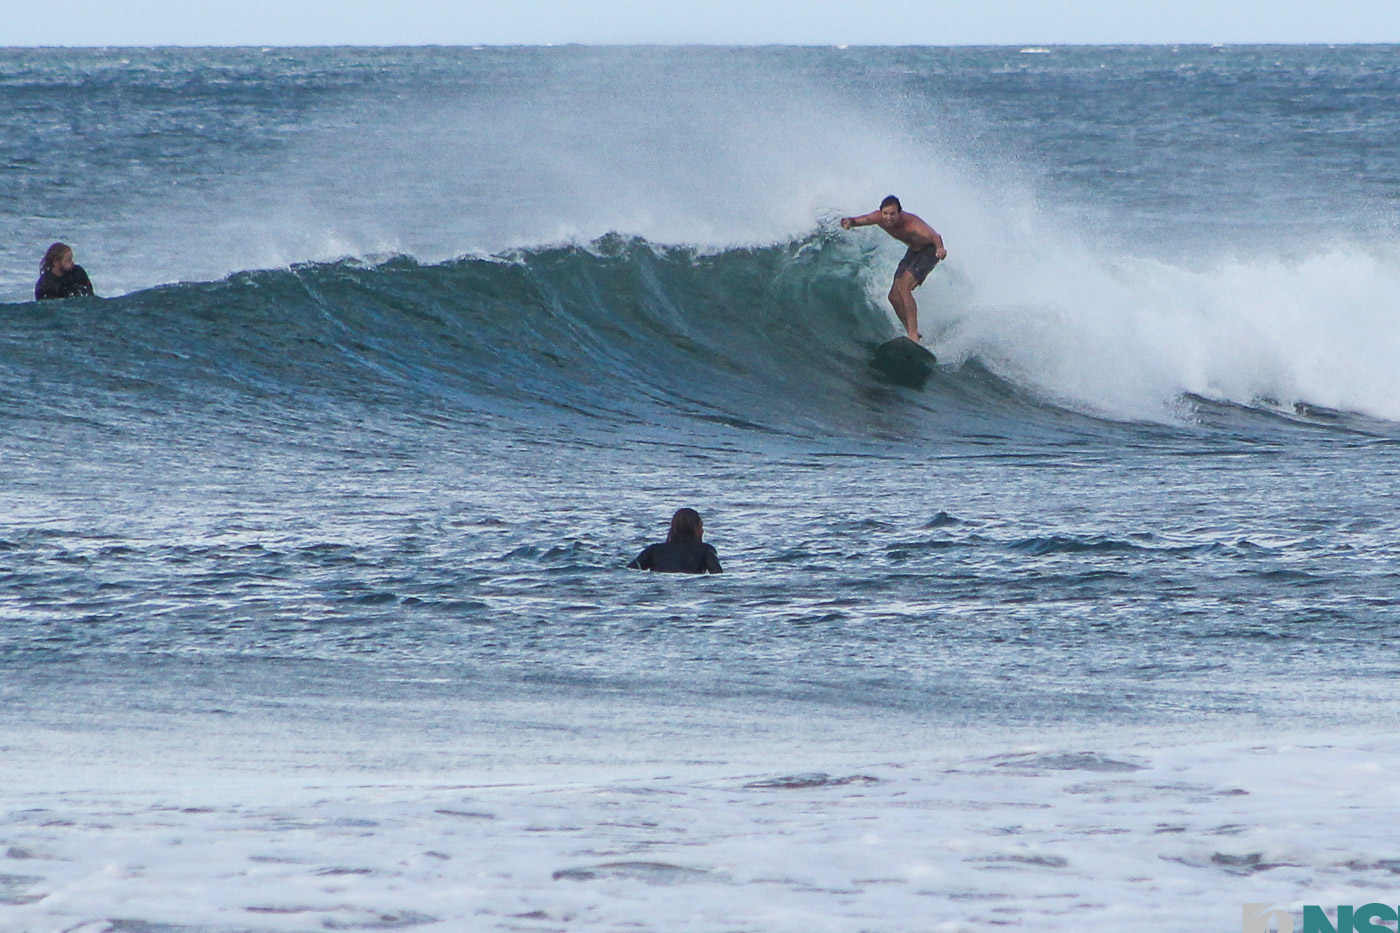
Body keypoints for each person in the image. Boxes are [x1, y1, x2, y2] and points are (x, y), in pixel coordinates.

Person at [840, 196, 946, 342]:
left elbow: (935, 236)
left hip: (929, 251)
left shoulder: (912, 225)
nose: (888, 218)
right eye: (885, 213)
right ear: (881, 212)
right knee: (893, 297)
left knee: (904, 286)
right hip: (913, 251)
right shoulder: (879, 218)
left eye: (892, 214)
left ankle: (913, 336)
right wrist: (850, 222)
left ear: (899, 213)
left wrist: (940, 249)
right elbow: (862, 220)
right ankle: (914, 334)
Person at [627, 507, 723, 574]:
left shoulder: (653, 550)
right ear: (695, 529)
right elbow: (718, 575)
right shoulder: (705, 550)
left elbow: (630, 570)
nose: (703, 531)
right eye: (701, 526)